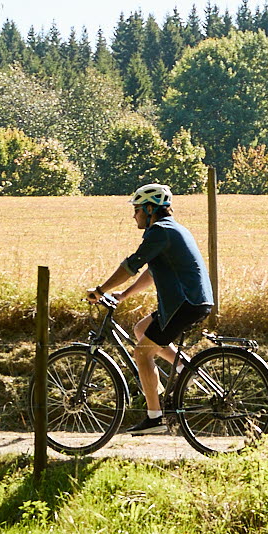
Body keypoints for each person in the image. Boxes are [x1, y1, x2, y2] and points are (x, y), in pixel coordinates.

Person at [88, 181, 215, 433]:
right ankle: (185, 369)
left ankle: (154, 418)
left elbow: (130, 265)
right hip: (190, 302)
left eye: (136, 209)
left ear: (149, 209)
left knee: (142, 353)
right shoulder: (171, 229)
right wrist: (124, 294)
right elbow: (152, 272)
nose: (133, 214)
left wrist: (100, 290)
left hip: (184, 304)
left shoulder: (159, 231)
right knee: (141, 328)